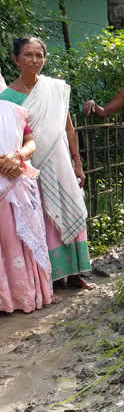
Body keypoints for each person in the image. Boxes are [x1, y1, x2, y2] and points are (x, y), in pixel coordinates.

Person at [0, 36, 92, 291]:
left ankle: (75, 274)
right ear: (16, 59)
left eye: (39, 55)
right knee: (43, 220)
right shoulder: (6, 97)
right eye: (28, 55)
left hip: (61, 161)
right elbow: (10, 136)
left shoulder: (54, 89)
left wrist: (77, 162)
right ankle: (51, 277)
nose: (35, 60)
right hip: (31, 169)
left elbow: (69, 129)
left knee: (71, 207)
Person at [0, 100, 54, 313]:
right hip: (8, 179)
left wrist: (17, 157)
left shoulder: (13, 110)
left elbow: (30, 142)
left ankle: (27, 297)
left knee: (22, 239)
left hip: (18, 180)